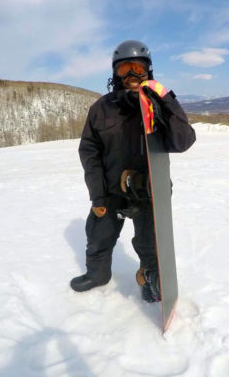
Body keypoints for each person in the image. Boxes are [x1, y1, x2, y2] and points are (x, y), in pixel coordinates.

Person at [70, 40, 196, 302]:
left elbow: (183, 142)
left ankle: (149, 275)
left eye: (137, 69)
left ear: (148, 71)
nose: (131, 76)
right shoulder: (101, 109)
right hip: (110, 189)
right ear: (114, 73)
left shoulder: (158, 106)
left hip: (148, 189)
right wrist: (97, 195)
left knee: (150, 242)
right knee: (98, 235)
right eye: (124, 69)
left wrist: (167, 100)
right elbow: (89, 152)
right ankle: (97, 274)